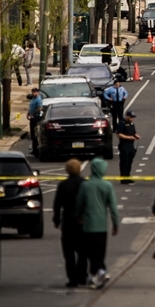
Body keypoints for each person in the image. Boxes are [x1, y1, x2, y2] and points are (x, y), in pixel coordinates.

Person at [75, 157, 119, 288]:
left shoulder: (85, 185)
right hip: (102, 225)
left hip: (88, 224)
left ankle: (98, 272)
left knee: (91, 252)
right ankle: (96, 275)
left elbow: (79, 204)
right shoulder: (107, 186)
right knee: (100, 251)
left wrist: (79, 216)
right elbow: (113, 207)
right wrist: (115, 223)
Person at [53, 158, 88, 287]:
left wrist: (56, 219)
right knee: (82, 252)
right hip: (82, 221)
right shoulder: (85, 184)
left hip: (68, 221)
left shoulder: (63, 185)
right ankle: (82, 276)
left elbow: (57, 205)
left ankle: (72, 278)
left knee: (69, 252)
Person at [115, 110, 139, 185]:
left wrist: (136, 135)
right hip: (124, 145)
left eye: (133, 117)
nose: (132, 119)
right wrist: (129, 137)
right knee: (124, 162)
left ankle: (128, 176)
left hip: (131, 145)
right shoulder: (122, 124)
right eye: (131, 117)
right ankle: (123, 178)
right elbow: (119, 134)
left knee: (129, 162)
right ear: (127, 116)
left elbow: (134, 132)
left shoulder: (131, 124)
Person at [28, 87, 43, 156]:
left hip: (36, 118)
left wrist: (32, 114)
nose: (33, 93)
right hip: (32, 117)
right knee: (33, 134)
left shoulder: (38, 99)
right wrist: (28, 113)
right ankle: (34, 149)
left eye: (34, 92)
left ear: (37, 92)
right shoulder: (33, 99)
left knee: (35, 134)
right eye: (32, 92)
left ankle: (36, 150)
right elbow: (31, 107)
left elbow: (39, 108)